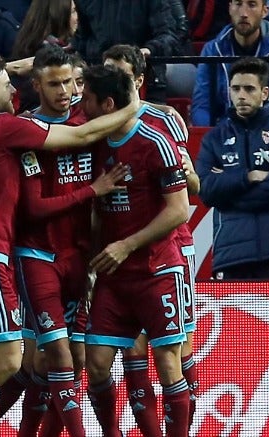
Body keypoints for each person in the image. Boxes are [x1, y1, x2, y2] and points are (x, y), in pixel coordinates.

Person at [0, 54, 139, 437]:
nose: (14, 90)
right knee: (7, 359)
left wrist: (4, 70)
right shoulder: (6, 127)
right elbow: (81, 136)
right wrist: (133, 103)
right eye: (7, 85)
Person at [11, 45, 129, 437]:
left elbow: (127, 110)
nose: (67, 90)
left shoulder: (87, 119)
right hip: (37, 254)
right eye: (56, 83)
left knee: (71, 361)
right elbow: (32, 208)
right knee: (53, 357)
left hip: (78, 256)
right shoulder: (26, 131)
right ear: (36, 86)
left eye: (73, 82)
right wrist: (92, 191)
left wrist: (162, 111)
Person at [81, 64, 190, 437]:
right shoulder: (91, 143)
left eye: (87, 100)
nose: (81, 107)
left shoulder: (155, 141)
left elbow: (179, 210)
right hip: (113, 275)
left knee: (166, 360)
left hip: (156, 269)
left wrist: (126, 245)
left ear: (107, 103)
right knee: (96, 363)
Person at [102, 43, 201, 435]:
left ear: (139, 81)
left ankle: (183, 425)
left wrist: (186, 172)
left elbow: (191, 186)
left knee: (175, 348)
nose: (111, 79)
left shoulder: (164, 122)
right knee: (133, 347)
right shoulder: (97, 124)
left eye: (120, 73)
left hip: (170, 245)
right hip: (122, 253)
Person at [195, 57, 269, 280]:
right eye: (235, 88)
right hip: (232, 253)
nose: (241, 95)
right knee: (235, 317)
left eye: (249, 89)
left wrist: (228, 193)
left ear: (265, 93)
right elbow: (206, 191)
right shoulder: (213, 139)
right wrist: (249, 177)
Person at [191, 0, 269, 127]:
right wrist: (211, 136)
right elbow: (202, 104)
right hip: (225, 133)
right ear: (230, 8)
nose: (244, 13)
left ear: (265, 11)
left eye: (252, 5)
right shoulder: (212, 49)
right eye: (238, 4)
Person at [73, 0, 178, 103]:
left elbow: (168, 36)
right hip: (98, 81)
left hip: (147, 79)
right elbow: (82, 38)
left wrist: (150, 49)